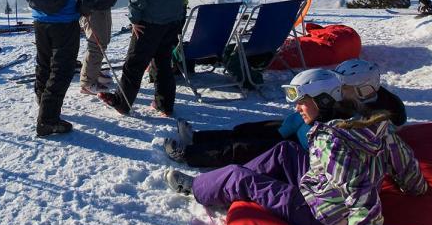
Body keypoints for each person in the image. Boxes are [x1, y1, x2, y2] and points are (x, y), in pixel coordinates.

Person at [165, 69, 427, 225]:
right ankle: (230, 186)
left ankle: (200, 187)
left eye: (302, 102)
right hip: (324, 189)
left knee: (238, 176)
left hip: (321, 216)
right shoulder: (373, 125)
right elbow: (404, 162)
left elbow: (364, 202)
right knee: (285, 151)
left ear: (323, 101)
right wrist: (416, 186)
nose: (297, 108)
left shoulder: (332, 144)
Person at [165, 59, 406, 168]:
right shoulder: (354, 96)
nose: (339, 91)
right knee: (251, 130)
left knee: (245, 148)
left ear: (364, 89)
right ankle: (198, 138)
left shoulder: (378, 115)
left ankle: (190, 153)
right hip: (297, 127)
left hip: (301, 148)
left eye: (345, 88)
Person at [99, 0, 195, 117]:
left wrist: (134, 18)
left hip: (149, 22)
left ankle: (123, 102)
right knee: (163, 62)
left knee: (134, 63)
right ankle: (165, 105)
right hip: (172, 22)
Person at [20, 0, 98, 137]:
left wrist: (35, 2)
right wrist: (85, 6)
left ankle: (43, 101)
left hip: (40, 19)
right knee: (62, 69)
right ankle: (48, 120)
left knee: (44, 63)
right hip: (64, 21)